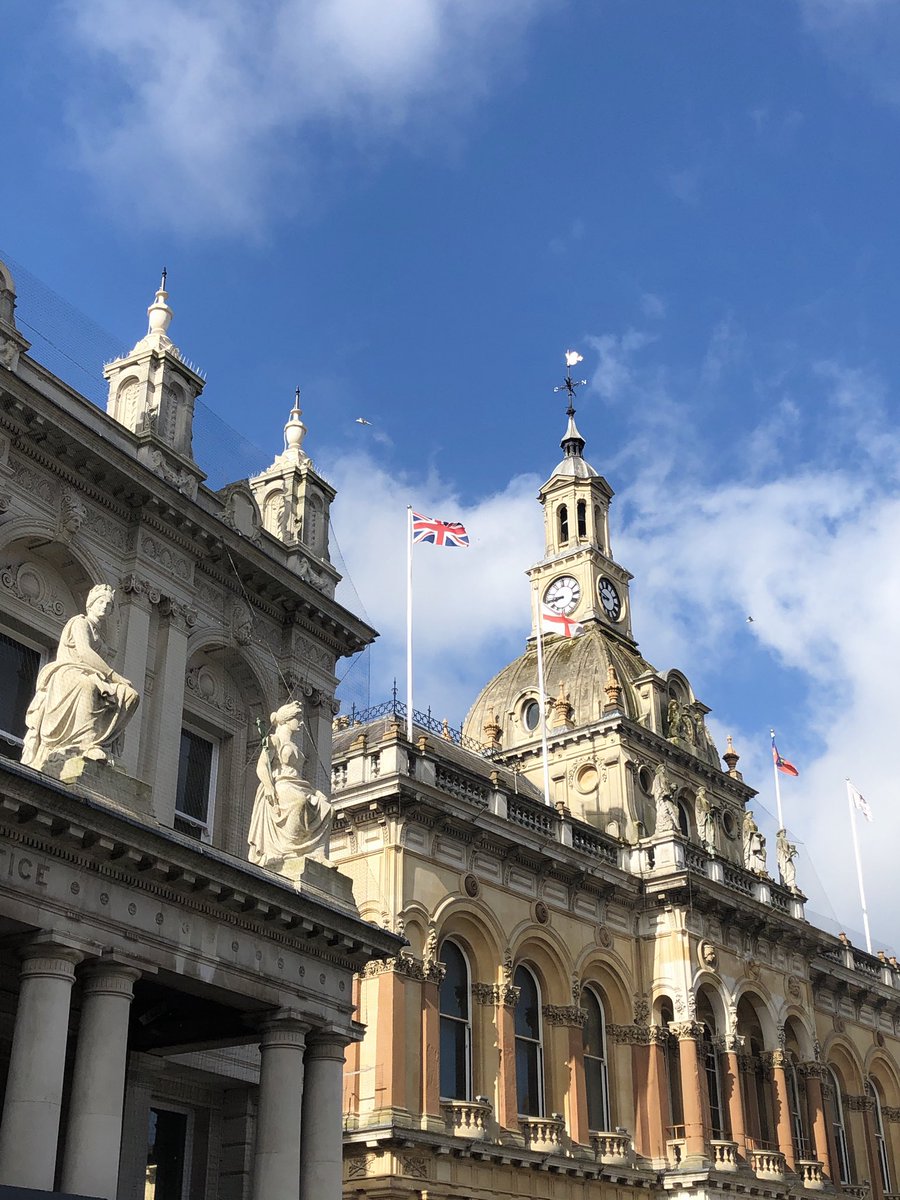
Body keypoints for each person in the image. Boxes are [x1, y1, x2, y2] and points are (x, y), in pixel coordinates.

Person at [22, 584, 138, 771]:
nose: (103, 607)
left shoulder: (99, 635)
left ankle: (101, 742)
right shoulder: (80, 623)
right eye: (100, 602)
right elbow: (84, 653)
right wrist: (114, 676)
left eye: (108, 605)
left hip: (93, 675)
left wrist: (112, 679)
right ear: (90, 604)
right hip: (69, 672)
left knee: (130, 696)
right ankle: (85, 742)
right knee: (88, 686)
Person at [248, 701, 332, 868]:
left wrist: (316, 792)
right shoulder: (274, 740)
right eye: (298, 718)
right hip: (281, 783)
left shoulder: (294, 745)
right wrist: (269, 786)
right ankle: (288, 849)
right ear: (287, 720)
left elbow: (298, 774)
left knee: (327, 808)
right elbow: (262, 766)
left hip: (298, 783)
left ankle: (317, 853)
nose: (301, 722)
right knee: (299, 801)